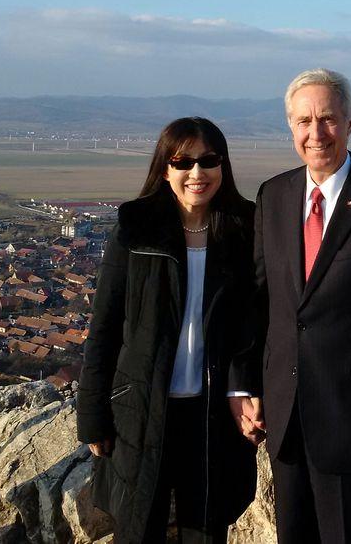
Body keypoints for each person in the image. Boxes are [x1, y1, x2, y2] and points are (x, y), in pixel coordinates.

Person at [234, 69, 351, 544]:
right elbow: (257, 304)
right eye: (303, 121)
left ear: (350, 122)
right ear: (290, 127)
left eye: (327, 119)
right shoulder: (272, 196)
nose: (315, 133)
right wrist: (242, 386)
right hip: (284, 426)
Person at [77, 117, 261, 544]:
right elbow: (104, 327)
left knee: (207, 529)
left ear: (223, 166)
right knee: (139, 526)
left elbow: (257, 325)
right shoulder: (135, 228)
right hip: (140, 409)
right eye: (183, 162)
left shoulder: (245, 230)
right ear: (165, 169)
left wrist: (248, 389)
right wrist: (92, 416)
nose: (197, 173)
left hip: (213, 412)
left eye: (209, 161)